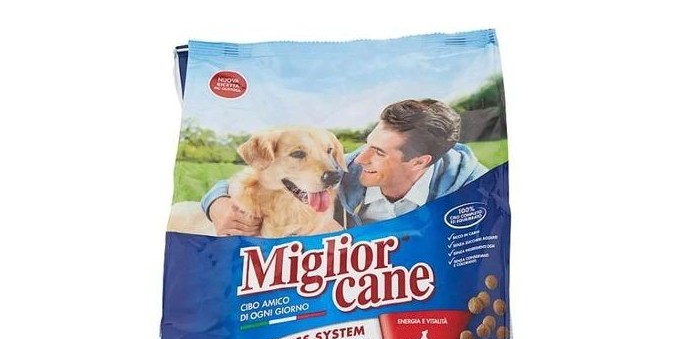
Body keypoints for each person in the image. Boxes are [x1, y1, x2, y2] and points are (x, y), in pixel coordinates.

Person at [203, 98, 488, 234]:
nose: (359, 159)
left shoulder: (471, 186)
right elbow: (258, 177)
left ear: (420, 161)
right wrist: (218, 205)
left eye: (378, 152)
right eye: (368, 144)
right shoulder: (347, 169)